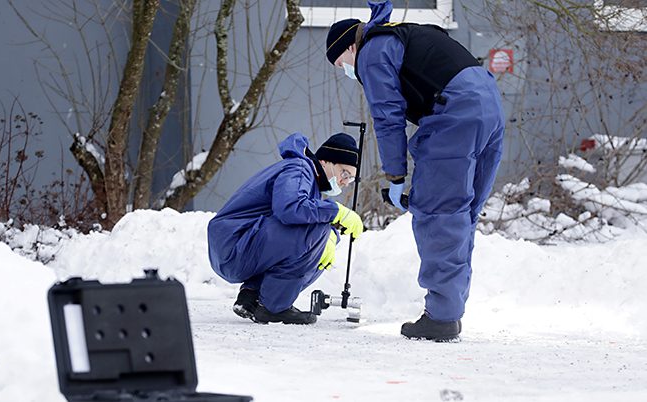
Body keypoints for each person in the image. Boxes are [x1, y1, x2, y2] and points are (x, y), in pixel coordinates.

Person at [326, 0, 505, 341]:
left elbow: (387, 116)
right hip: (489, 105)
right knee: (462, 213)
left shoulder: (372, 51)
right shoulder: (401, 35)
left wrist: (396, 176)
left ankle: (441, 317)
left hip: (455, 112)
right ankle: (450, 310)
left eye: (342, 63)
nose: (347, 70)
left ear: (351, 46)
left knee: (439, 212)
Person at [207, 132, 364, 325]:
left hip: (239, 246)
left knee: (321, 237)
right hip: (235, 243)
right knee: (315, 229)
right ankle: (274, 307)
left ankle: (252, 297)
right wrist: (335, 212)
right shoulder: (300, 169)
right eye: (344, 173)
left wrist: (330, 237)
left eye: (350, 180)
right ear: (324, 162)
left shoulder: (310, 182)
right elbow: (290, 208)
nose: (344, 182)